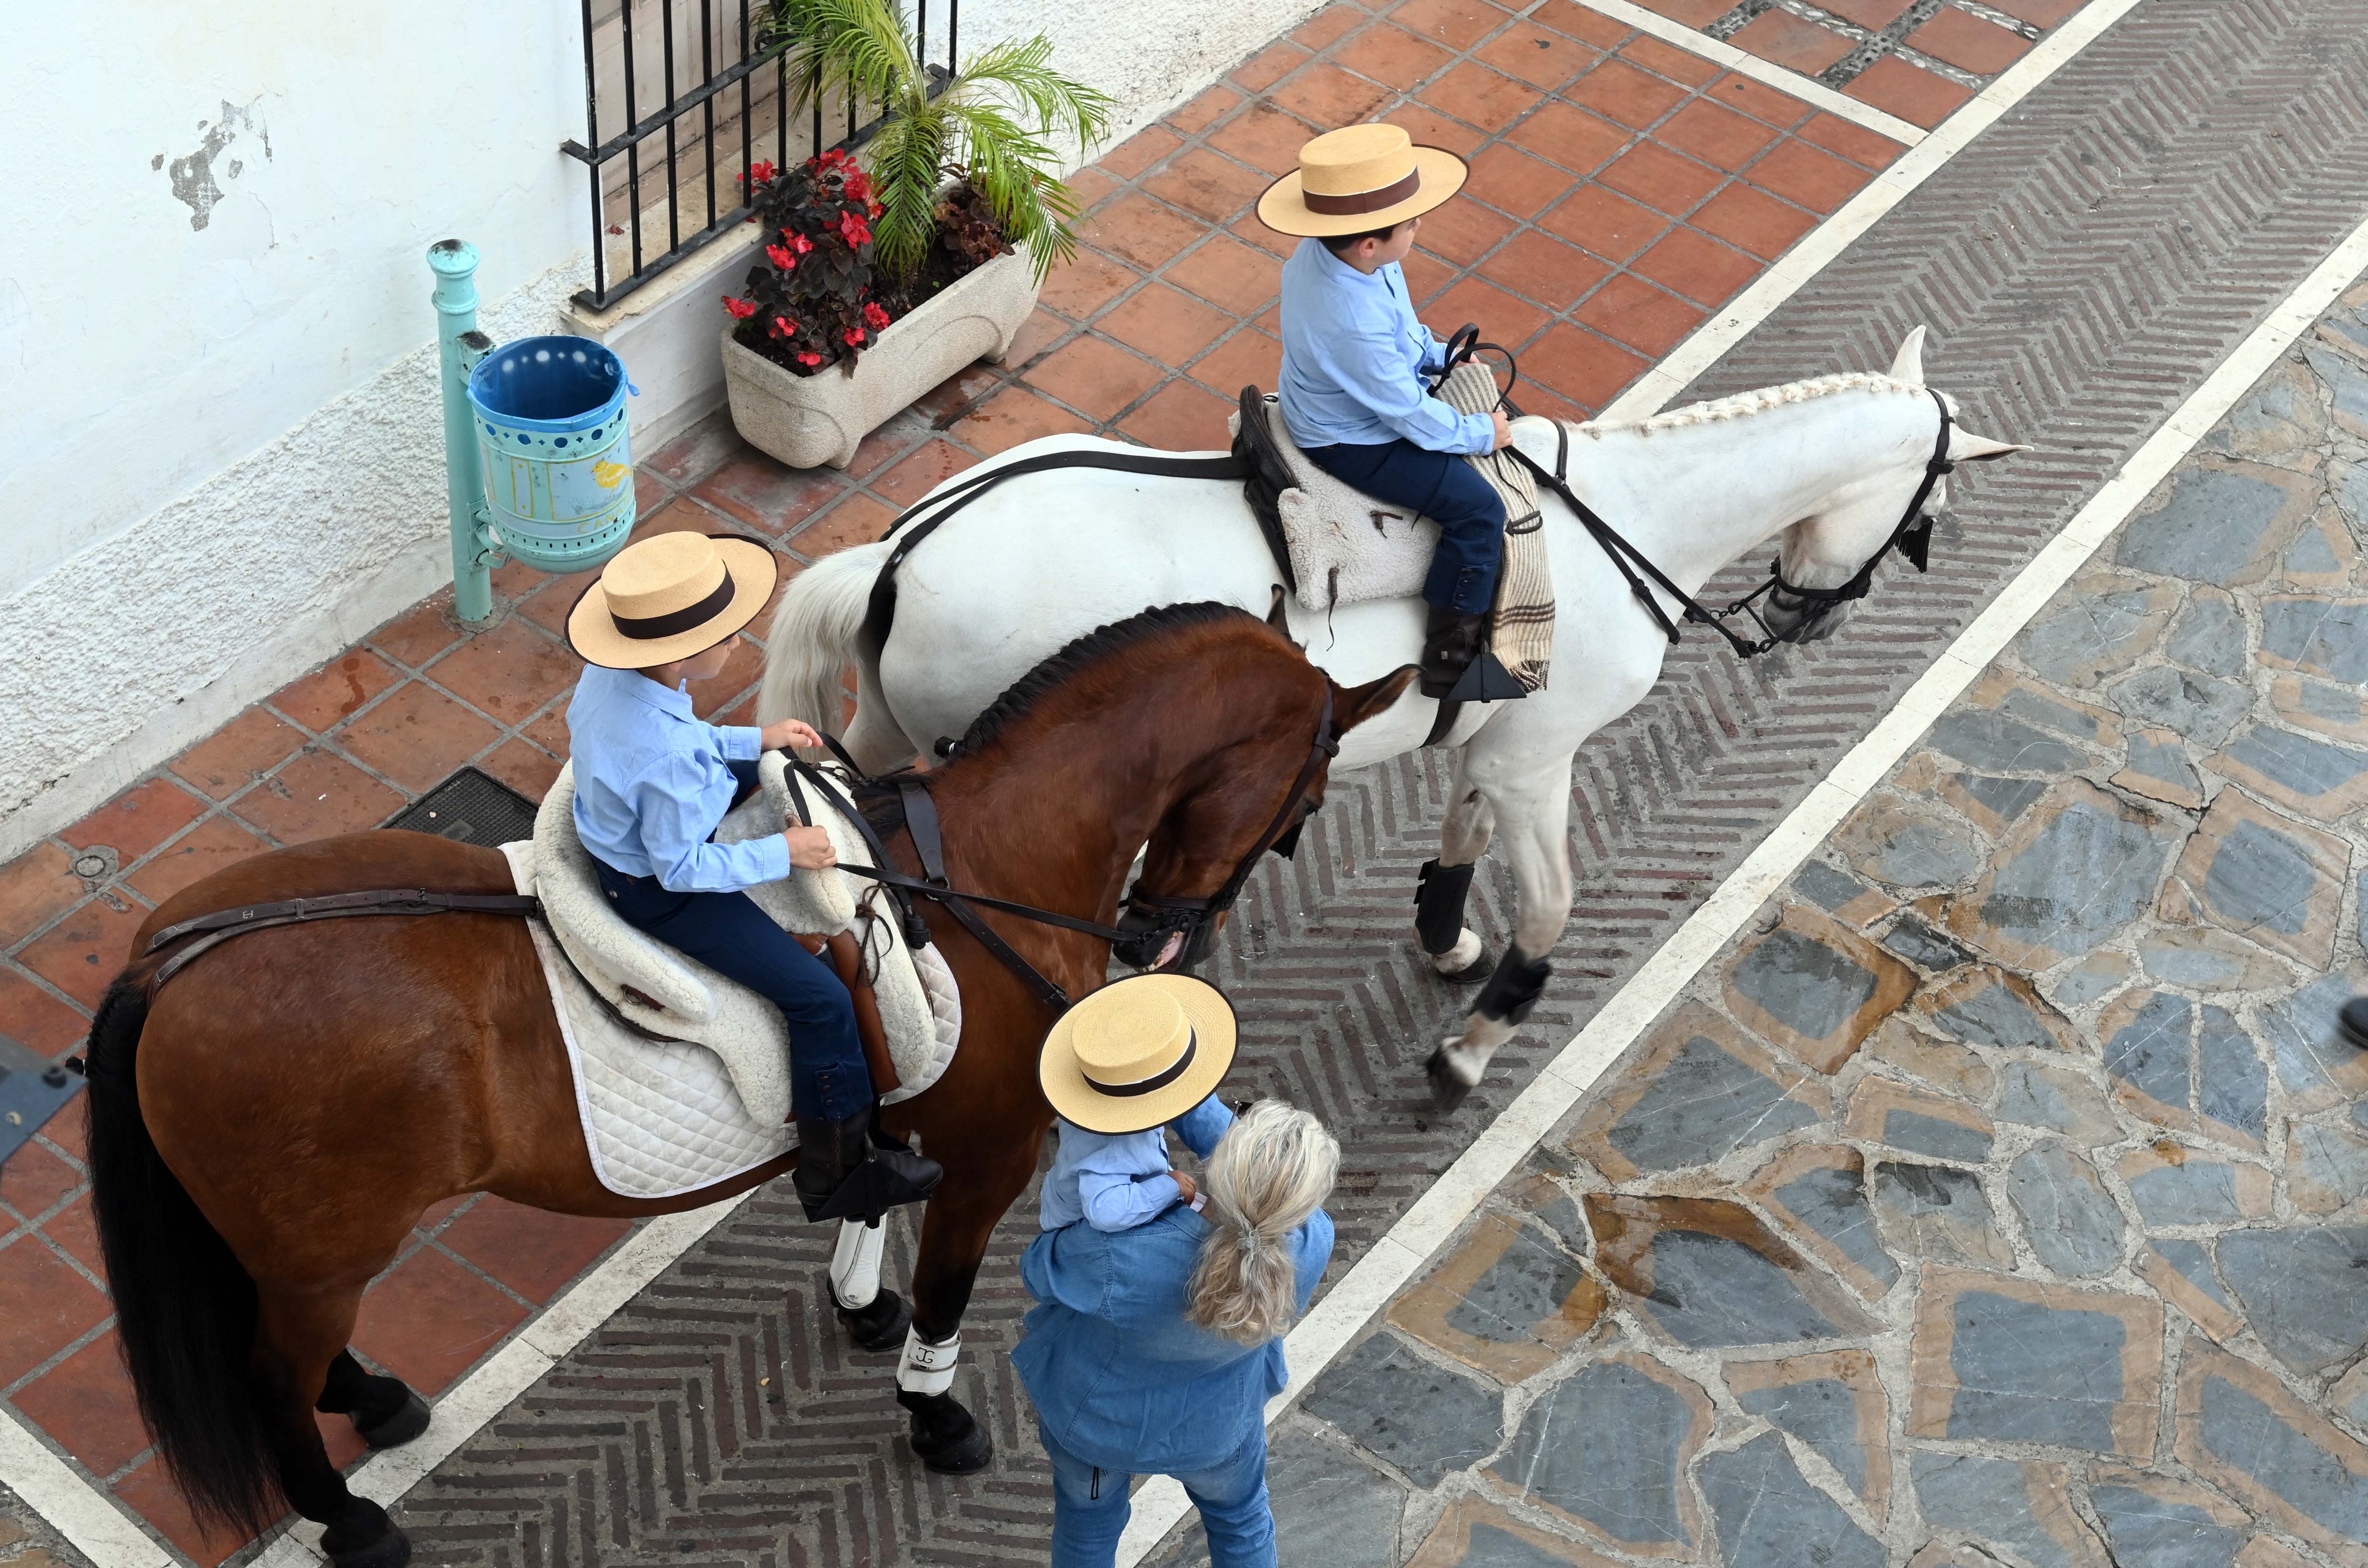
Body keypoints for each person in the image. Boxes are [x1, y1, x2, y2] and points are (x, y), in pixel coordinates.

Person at [564, 530, 941, 1222]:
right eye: (725, 635)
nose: (739, 642)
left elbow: (683, 740)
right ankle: (838, 1170)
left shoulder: (613, 675)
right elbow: (680, 867)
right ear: (675, 653)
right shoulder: (668, 757)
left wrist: (752, 741)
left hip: (645, 808)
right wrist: (788, 852)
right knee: (821, 1000)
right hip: (658, 892)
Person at [1018, 974, 1339, 1567]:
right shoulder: (1311, 1237)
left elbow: (1040, 1268)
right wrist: (1170, 1080)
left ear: (1223, 1166)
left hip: (1098, 1428)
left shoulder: (1115, 1256)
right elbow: (1250, 1175)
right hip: (1220, 1429)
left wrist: (1141, 1090)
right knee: (1242, 1522)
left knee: (1088, 1530)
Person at [1258, 120, 1516, 699]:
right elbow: (1409, 416)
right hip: (1346, 439)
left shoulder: (1345, 254)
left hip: (1339, 389)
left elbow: (1400, 327)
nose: (1420, 224)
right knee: (1479, 511)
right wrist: (1483, 433)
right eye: (1412, 221)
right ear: (1370, 241)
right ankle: (1452, 655)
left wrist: (1436, 352)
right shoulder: (1349, 318)